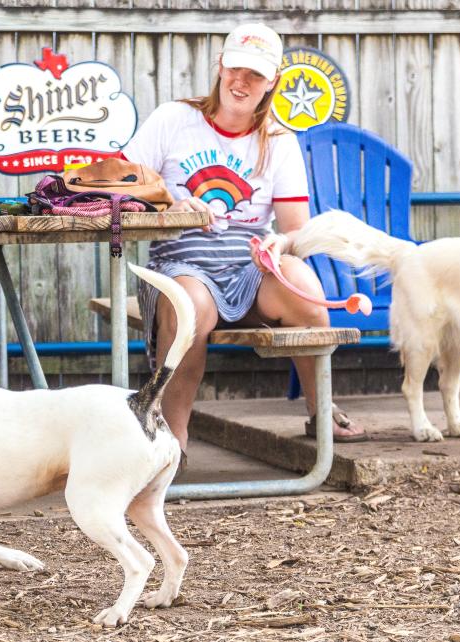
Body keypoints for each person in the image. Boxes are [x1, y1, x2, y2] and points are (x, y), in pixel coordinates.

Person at [122, 23, 367, 458]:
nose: (241, 81)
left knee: (307, 292)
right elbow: (121, 185)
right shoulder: (174, 119)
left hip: (248, 268)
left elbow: (295, 228)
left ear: (272, 81)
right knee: (190, 306)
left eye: (255, 74)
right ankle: (169, 437)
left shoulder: (278, 140)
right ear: (220, 66)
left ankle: (320, 409)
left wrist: (282, 245)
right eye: (235, 68)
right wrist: (168, 208)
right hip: (181, 262)